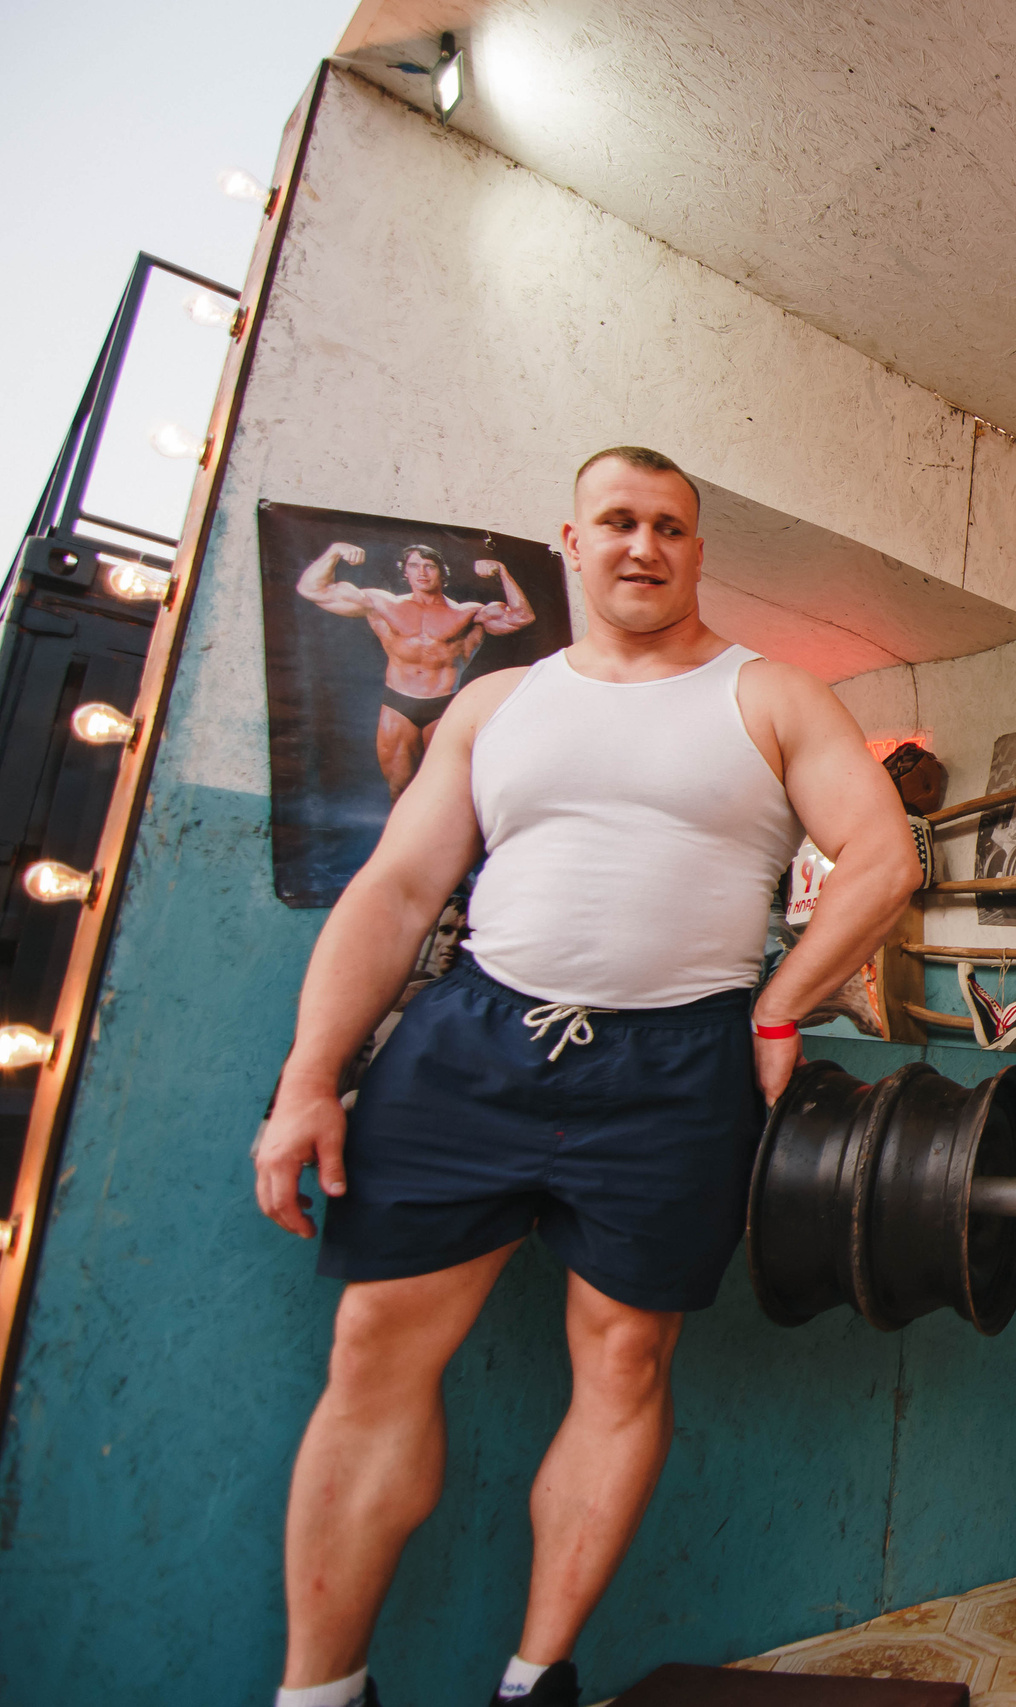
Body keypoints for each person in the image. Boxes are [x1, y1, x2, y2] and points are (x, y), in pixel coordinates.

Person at [250, 446, 920, 1707]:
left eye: (671, 526)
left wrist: (777, 1011)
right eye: (618, 520)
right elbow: (396, 889)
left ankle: (534, 1678)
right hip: (470, 1044)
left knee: (624, 1363)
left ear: (698, 550)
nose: (644, 545)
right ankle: (319, 1692)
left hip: (678, 1067)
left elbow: (880, 859)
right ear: (571, 539)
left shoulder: (771, 695)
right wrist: (306, 1079)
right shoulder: (497, 702)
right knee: (376, 1351)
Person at [296, 540, 538, 799]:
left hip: (443, 707)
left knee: (452, 793)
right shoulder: (382, 604)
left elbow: (522, 617)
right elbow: (311, 589)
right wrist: (334, 552)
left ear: (441, 573)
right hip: (398, 706)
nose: (421, 572)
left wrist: (502, 571)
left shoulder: (468, 613)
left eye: (429, 566)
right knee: (399, 789)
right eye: (414, 566)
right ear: (405, 572)